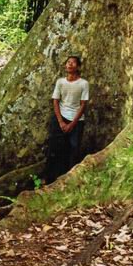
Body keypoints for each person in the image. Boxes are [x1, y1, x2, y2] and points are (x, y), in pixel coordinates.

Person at [44, 55, 89, 183]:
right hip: (60, 118)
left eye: (73, 63)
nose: (70, 65)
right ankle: (50, 178)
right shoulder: (60, 82)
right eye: (68, 62)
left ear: (78, 67)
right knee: (54, 148)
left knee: (74, 148)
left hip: (77, 121)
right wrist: (61, 122)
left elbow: (83, 105)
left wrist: (72, 124)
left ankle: (70, 179)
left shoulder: (83, 84)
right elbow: (55, 101)